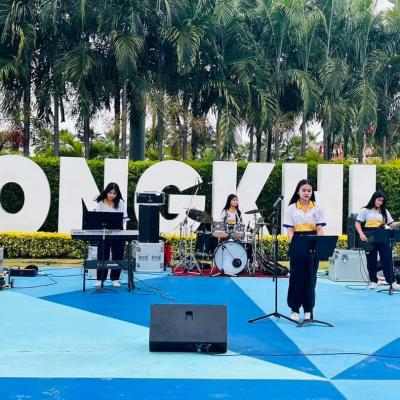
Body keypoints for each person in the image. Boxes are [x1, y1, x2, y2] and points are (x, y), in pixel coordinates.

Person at [283, 179, 326, 322]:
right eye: (304, 190)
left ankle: (308, 309)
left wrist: (319, 244)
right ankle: (294, 309)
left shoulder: (317, 207)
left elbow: (319, 229)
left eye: (309, 190)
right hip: (298, 242)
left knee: (311, 277)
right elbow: (290, 230)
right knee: (297, 277)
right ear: (298, 191)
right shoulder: (291, 208)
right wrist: (293, 245)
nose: (306, 193)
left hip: (313, 242)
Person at [355, 191, 400, 290]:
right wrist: (361, 234)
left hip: (383, 236)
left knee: (387, 258)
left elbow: (391, 224)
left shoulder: (384, 211)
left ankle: (392, 282)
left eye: (382, 201)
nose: (380, 202)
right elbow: (357, 223)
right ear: (374, 199)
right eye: (379, 200)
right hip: (369, 237)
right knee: (371, 259)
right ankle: (373, 281)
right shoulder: (365, 210)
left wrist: (399, 223)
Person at [94, 182, 128, 288]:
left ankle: (115, 279)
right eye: (110, 193)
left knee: (118, 255)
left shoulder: (121, 203)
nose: (112, 195)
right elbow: (97, 219)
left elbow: (124, 218)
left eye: (114, 193)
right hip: (104, 233)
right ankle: (100, 279)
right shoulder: (101, 203)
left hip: (117, 232)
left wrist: (118, 223)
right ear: (106, 192)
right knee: (102, 255)